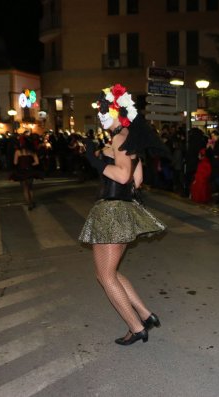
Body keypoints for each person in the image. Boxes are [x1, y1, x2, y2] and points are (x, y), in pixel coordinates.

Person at [79, 83, 166, 346]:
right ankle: (145, 314)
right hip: (123, 210)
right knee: (111, 272)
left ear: (118, 112)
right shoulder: (128, 140)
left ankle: (136, 327)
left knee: (105, 276)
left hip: (112, 210)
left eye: (105, 109)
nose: (101, 114)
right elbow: (137, 181)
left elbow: (124, 175)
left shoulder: (118, 138)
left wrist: (94, 160)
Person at [10, 137, 42, 210]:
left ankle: (29, 204)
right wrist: (30, 165)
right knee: (30, 188)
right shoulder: (31, 151)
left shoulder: (17, 152)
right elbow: (37, 162)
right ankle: (32, 202)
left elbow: (15, 162)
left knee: (25, 189)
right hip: (30, 171)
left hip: (21, 172)